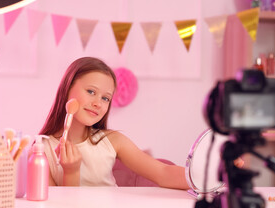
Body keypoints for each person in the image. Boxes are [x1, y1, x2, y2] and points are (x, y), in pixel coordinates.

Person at [38, 57, 189, 189]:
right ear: (67, 89)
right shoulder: (41, 151)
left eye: (105, 98)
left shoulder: (112, 140)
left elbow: (163, 172)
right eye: (91, 92)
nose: (98, 103)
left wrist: (205, 179)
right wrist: (71, 172)